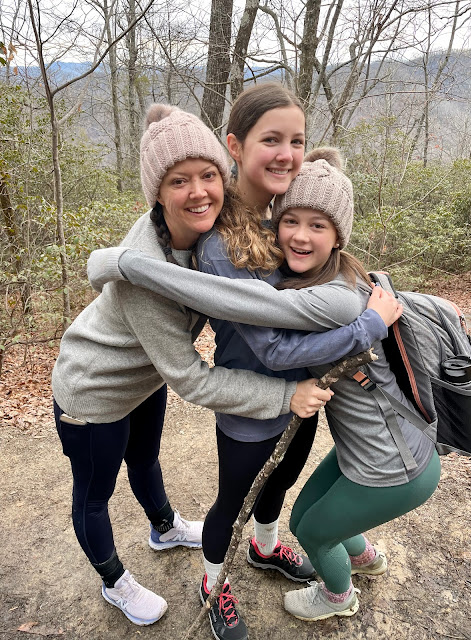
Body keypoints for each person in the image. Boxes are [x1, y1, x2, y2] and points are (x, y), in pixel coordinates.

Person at [87, 85, 403, 639]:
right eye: (271, 140)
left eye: (297, 141)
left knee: (279, 483)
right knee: (233, 500)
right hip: (249, 401)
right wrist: (364, 327)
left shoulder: (281, 213)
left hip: (303, 395)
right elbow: (270, 345)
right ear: (236, 146)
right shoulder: (219, 242)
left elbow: (322, 263)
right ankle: (213, 584)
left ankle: (263, 547)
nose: (286, 153)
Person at [52, 103, 334, 628]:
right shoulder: (146, 272)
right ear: (156, 192)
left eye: (207, 175)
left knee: (146, 460)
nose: (199, 190)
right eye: (179, 181)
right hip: (93, 389)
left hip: (146, 376)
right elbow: (190, 377)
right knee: (95, 493)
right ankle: (115, 580)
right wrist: (282, 397)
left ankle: (163, 527)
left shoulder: (199, 237)